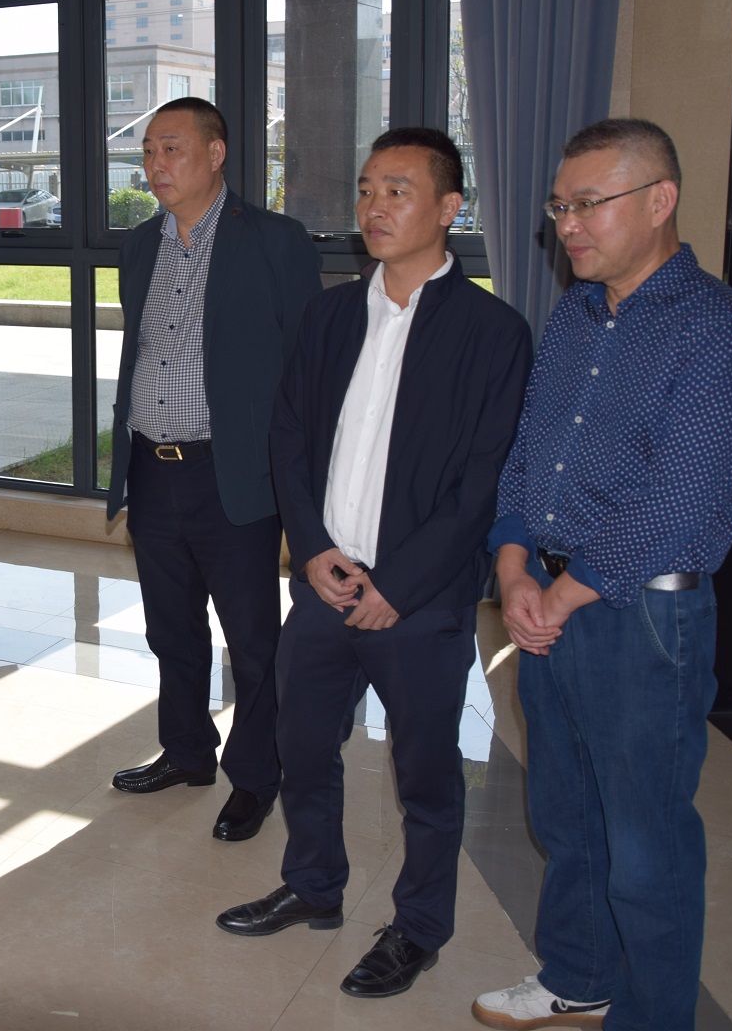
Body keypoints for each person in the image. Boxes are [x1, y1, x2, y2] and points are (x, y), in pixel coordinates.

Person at [215, 128, 531, 999]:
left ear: (450, 207)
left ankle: (419, 927)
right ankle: (313, 885)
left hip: (419, 602)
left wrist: (400, 585)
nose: (374, 207)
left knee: (425, 774)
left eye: (397, 190)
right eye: (365, 190)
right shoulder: (329, 316)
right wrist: (312, 549)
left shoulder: (493, 332)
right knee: (302, 745)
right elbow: (288, 437)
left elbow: (483, 478)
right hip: (325, 583)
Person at [473, 119, 732, 1031]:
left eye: (588, 204)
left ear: (659, 200)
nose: (567, 224)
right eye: (559, 206)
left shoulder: (716, 328)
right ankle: (579, 973)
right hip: (548, 599)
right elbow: (529, 454)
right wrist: (513, 564)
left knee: (645, 843)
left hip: (640, 618)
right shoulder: (576, 315)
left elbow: (683, 500)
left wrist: (557, 595)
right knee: (566, 814)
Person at [105, 96, 321, 842]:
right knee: (171, 630)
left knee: (253, 641)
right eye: (148, 151)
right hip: (152, 466)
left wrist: (300, 485)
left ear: (216, 153)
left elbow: (307, 368)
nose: (155, 164)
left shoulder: (274, 241)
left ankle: (256, 777)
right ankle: (187, 750)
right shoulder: (141, 245)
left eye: (172, 148)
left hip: (233, 473)